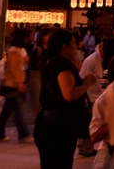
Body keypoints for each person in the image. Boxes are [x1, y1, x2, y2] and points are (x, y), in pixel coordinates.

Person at [34, 29, 97, 169]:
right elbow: (69, 94)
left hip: (48, 123)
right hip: (60, 128)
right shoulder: (62, 65)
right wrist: (88, 83)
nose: (76, 46)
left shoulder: (50, 62)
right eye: (73, 43)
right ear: (64, 47)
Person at [0, 28, 31, 143]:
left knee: (7, 111)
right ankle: (24, 134)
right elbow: (12, 68)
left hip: (15, 83)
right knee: (18, 110)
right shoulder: (14, 51)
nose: (29, 39)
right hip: (12, 84)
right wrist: (19, 83)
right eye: (27, 37)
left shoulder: (20, 50)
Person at [78, 38, 107, 157]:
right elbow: (82, 78)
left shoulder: (103, 59)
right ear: (100, 47)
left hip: (98, 96)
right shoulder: (91, 60)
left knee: (92, 122)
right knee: (87, 122)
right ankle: (85, 148)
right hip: (90, 96)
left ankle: (88, 147)